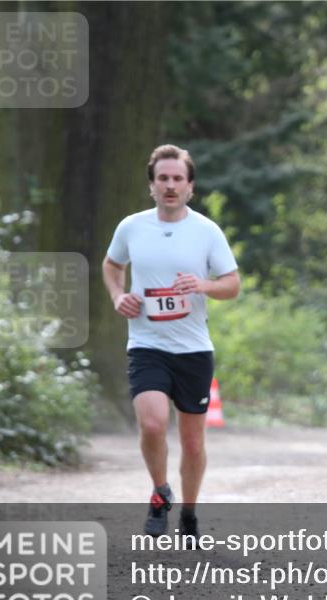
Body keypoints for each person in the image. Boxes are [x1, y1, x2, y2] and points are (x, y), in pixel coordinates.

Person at [102, 144, 240, 540]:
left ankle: (191, 512)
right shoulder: (132, 227)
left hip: (193, 350)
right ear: (152, 185)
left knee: (193, 443)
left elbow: (232, 284)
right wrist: (117, 295)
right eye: (162, 178)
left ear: (190, 186)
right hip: (147, 345)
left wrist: (202, 284)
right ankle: (161, 493)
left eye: (177, 178)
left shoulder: (206, 231)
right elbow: (112, 265)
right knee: (152, 423)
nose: (170, 185)